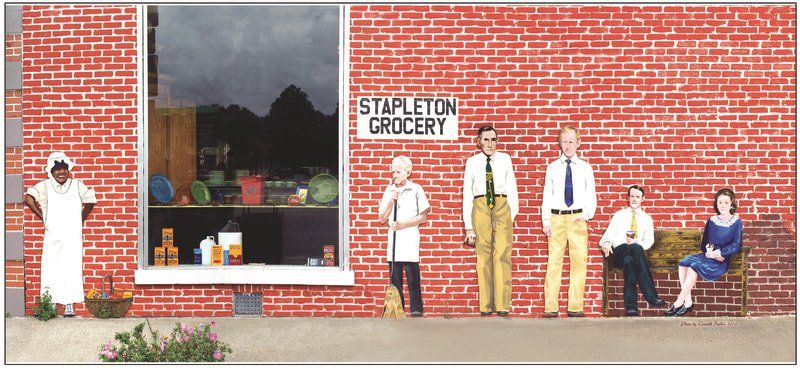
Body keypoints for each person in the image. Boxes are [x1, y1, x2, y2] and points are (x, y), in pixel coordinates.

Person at [24, 152, 97, 317]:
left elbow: (91, 200)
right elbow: (29, 198)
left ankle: (69, 304)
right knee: (50, 267)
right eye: (57, 169)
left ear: (69, 169)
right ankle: (49, 303)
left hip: (72, 234)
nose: (61, 172)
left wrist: (81, 218)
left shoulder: (77, 185)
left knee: (71, 267)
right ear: (50, 171)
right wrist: (42, 216)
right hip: (53, 233)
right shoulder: (45, 185)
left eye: (64, 168)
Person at [463, 126, 519, 317]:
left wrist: (511, 214)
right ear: (479, 141)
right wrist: (468, 226)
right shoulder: (472, 162)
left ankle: (503, 304)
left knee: (502, 253)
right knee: (483, 253)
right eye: (486, 140)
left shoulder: (505, 159)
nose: (490, 144)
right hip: (480, 204)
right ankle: (486, 305)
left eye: (494, 140)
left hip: (501, 202)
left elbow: (512, 187)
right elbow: (467, 192)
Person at [541, 125, 596, 318]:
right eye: (564, 141)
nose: (568, 145)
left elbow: (591, 194)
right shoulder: (553, 167)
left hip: (577, 217)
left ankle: (575, 306)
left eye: (571, 141)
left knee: (578, 261)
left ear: (578, 143)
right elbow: (547, 194)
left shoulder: (585, 168)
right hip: (556, 217)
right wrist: (546, 220)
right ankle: (550, 307)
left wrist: (587, 214)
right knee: (554, 262)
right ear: (560, 143)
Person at [665, 188, 743, 317]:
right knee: (683, 263)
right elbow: (705, 243)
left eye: (725, 202)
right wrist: (708, 249)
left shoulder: (737, 222)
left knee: (692, 267)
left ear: (731, 204)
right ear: (716, 204)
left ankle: (679, 302)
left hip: (722, 260)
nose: (722, 205)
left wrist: (719, 253)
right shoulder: (712, 221)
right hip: (708, 256)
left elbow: (736, 245)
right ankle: (688, 301)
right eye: (720, 203)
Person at [599, 185, 667, 316]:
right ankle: (651, 296)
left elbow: (649, 241)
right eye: (632, 196)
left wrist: (637, 242)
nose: (634, 199)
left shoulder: (647, 218)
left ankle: (631, 308)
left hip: (634, 254)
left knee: (630, 261)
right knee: (632, 251)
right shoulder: (619, 215)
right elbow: (608, 235)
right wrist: (606, 243)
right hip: (619, 251)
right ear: (628, 198)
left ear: (643, 199)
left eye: (637, 196)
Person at [378, 155, 431, 317]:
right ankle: (396, 309)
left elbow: (423, 217)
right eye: (393, 171)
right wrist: (390, 201)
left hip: (409, 237)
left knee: (412, 276)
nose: (394, 175)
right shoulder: (389, 190)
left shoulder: (416, 189)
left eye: (398, 171)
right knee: (395, 278)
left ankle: (416, 308)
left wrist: (403, 224)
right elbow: (381, 219)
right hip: (394, 239)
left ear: (408, 172)